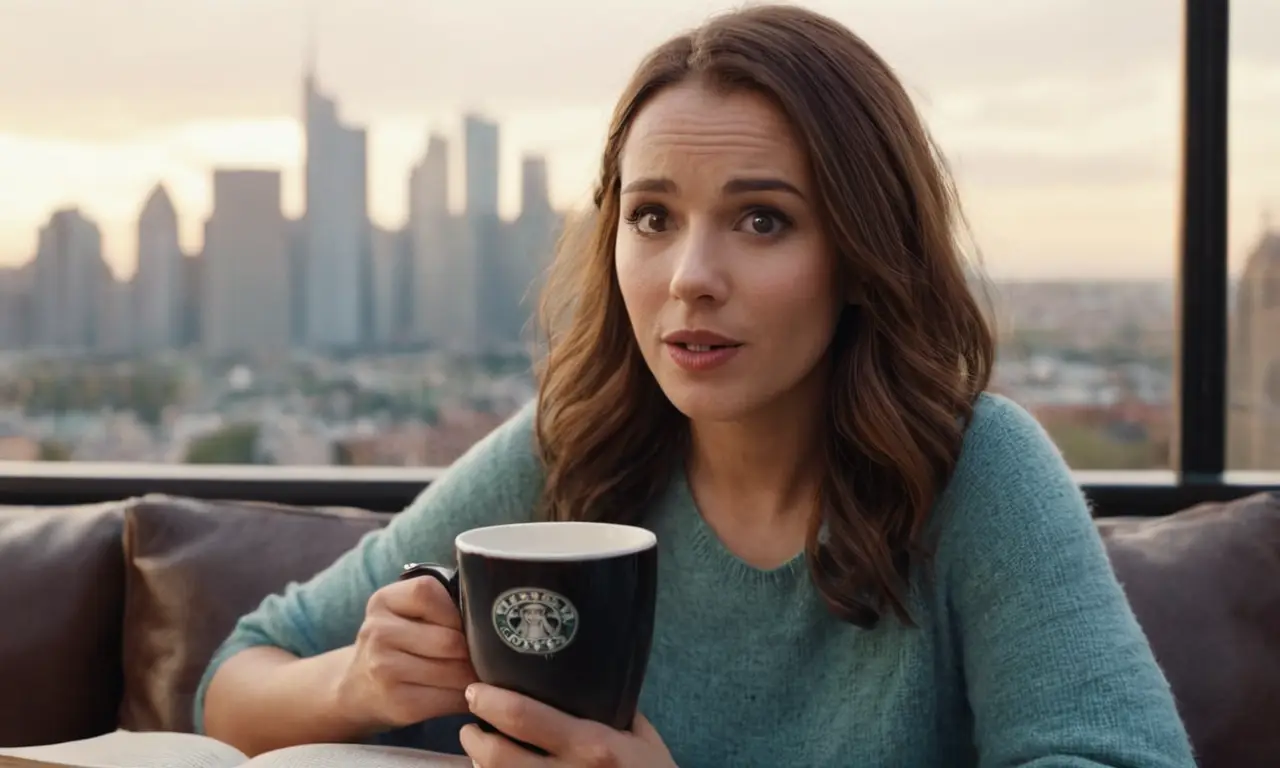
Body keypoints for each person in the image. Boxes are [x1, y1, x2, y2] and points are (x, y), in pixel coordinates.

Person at [197, 5, 1196, 767]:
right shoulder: (569, 454)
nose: (688, 278)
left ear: (859, 253)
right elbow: (234, 680)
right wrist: (360, 684)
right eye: (652, 218)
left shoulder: (977, 468)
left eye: (760, 220)